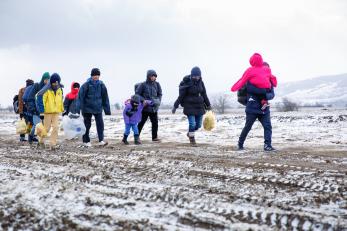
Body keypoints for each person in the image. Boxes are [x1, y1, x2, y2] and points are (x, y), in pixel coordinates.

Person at [231, 53, 277, 151]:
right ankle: (240, 143)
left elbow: (272, 94)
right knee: (248, 127)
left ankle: (267, 145)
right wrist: (264, 92)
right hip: (252, 108)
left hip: (264, 108)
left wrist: (266, 95)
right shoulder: (251, 79)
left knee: (268, 126)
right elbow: (251, 89)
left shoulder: (269, 81)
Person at [172, 66, 211, 146]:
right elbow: (181, 96)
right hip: (189, 106)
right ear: (191, 75)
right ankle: (192, 139)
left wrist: (208, 105)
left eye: (198, 76)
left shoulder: (201, 82)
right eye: (194, 76)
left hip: (199, 106)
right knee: (192, 124)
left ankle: (190, 133)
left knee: (198, 125)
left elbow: (204, 94)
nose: (196, 77)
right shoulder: (186, 82)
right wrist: (175, 106)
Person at [78, 68, 111, 147]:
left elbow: (105, 97)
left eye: (97, 75)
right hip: (87, 108)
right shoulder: (86, 85)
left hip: (98, 108)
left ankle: (101, 140)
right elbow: (80, 97)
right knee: (87, 124)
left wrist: (107, 110)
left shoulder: (101, 85)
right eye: (94, 75)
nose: (96, 76)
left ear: (99, 76)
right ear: (91, 75)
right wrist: (79, 108)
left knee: (100, 124)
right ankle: (86, 141)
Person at [36, 73, 64, 150]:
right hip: (47, 112)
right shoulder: (46, 90)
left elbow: (60, 100)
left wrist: (62, 109)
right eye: (54, 83)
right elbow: (42, 100)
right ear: (51, 82)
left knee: (55, 128)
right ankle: (40, 141)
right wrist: (41, 112)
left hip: (56, 112)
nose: (55, 85)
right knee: (46, 129)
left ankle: (53, 145)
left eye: (57, 83)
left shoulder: (59, 89)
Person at [23, 72, 50, 143]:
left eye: (48, 79)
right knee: (37, 124)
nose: (47, 81)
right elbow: (30, 97)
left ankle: (35, 138)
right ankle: (32, 136)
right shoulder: (37, 86)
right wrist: (33, 109)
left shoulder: (48, 88)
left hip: (44, 109)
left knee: (40, 125)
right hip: (35, 109)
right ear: (43, 79)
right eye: (46, 79)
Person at [136, 70, 162, 142]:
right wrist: (143, 100)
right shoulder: (143, 84)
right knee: (141, 123)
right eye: (152, 76)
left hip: (154, 108)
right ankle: (136, 136)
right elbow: (137, 94)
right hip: (145, 108)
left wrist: (158, 101)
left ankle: (154, 137)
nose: (154, 77)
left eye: (155, 76)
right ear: (148, 76)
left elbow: (160, 94)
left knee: (155, 123)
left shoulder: (157, 84)